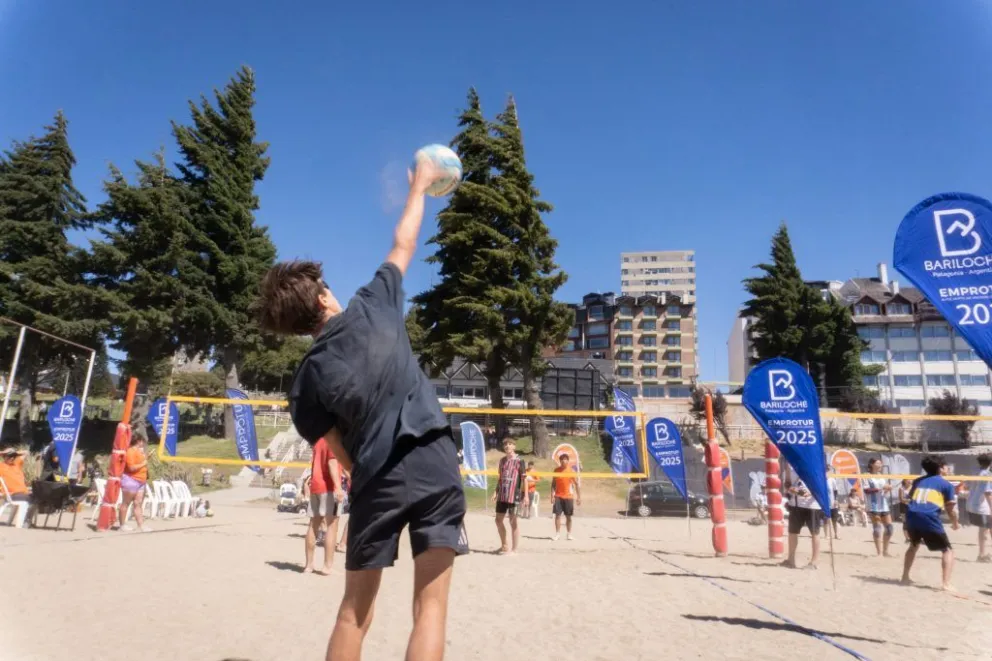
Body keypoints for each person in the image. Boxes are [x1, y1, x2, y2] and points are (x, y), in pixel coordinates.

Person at [258, 156, 467, 661]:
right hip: (435, 460)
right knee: (431, 610)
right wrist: (418, 186)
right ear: (325, 296)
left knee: (354, 610)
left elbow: (337, 453)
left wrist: (370, 473)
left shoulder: (306, 379)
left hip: (376, 477)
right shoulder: (374, 304)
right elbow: (403, 242)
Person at [902, 455, 959, 591]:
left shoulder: (918, 481)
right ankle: (946, 584)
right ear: (940, 468)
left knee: (913, 545)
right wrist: (955, 523)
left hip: (911, 515)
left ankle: (904, 577)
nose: (948, 468)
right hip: (928, 517)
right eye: (945, 466)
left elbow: (910, 499)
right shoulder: (946, 484)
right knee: (947, 550)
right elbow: (950, 509)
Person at [304, 436, 344, 574]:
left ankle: (309, 565)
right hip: (328, 487)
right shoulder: (333, 440)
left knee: (313, 525)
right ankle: (327, 566)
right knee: (332, 526)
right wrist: (338, 487)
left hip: (316, 485)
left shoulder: (318, 440)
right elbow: (332, 463)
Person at [491, 438, 526, 554]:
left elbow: (524, 479)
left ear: (514, 447)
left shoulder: (519, 461)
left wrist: (525, 496)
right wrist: (496, 492)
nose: (507, 446)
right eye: (505, 444)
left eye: (510, 444)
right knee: (498, 520)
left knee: (513, 522)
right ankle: (504, 545)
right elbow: (500, 478)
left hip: (513, 496)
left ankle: (514, 549)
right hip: (502, 495)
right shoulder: (502, 461)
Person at [782, 475, 821, 569]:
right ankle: (790, 560)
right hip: (795, 503)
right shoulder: (789, 463)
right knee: (792, 532)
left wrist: (812, 492)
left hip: (812, 504)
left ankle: (814, 562)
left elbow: (822, 480)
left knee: (815, 532)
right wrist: (792, 489)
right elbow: (787, 483)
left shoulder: (813, 461)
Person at [862, 458, 894, 557]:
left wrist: (888, 489)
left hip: (883, 505)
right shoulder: (866, 476)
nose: (880, 465)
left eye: (881, 463)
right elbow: (867, 490)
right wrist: (881, 488)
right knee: (877, 529)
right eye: (878, 463)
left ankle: (885, 551)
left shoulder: (881, 476)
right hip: (873, 506)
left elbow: (883, 491)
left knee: (889, 528)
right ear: (872, 464)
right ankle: (879, 552)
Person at [119, 434, 150, 532]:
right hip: (131, 480)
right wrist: (144, 463)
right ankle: (122, 525)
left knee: (138, 503)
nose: (143, 443)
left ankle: (141, 525)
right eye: (142, 441)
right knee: (126, 503)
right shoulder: (130, 451)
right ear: (138, 441)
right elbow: (131, 468)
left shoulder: (139, 452)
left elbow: (141, 464)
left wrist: (145, 458)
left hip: (141, 480)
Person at [965, 453, 992, 563]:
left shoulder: (975, 471)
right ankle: (981, 555)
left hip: (972, 504)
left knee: (985, 529)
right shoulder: (987, 474)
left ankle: (982, 554)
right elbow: (987, 493)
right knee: (984, 530)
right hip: (981, 507)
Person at [550, 453, 580, 541]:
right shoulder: (556, 470)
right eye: (562, 459)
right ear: (560, 461)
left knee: (568, 516)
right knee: (557, 516)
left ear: (568, 461)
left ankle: (569, 534)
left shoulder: (571, 471)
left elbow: (576, 484)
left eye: (565, 459)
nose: (563, 461)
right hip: (558, 496)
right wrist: (552, 495)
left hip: (568, 496)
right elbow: (553, 484)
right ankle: (557, 534)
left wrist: (578, 497)